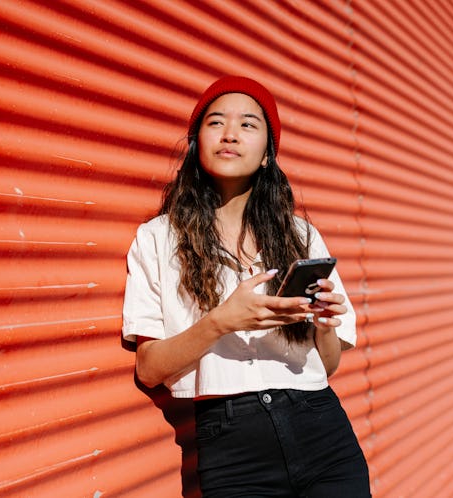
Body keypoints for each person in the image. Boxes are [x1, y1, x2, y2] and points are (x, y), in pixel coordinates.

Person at [122, 76, 371, 497]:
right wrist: (220, 321)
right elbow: (149, 369)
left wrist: (325, 323)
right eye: (215, 122)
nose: (231, 134)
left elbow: (325, 368)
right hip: (232, 443)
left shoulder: (300, 236)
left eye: (249, 125)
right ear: (196, 143)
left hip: (321, 427)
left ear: (268, 156)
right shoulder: (157, 239)